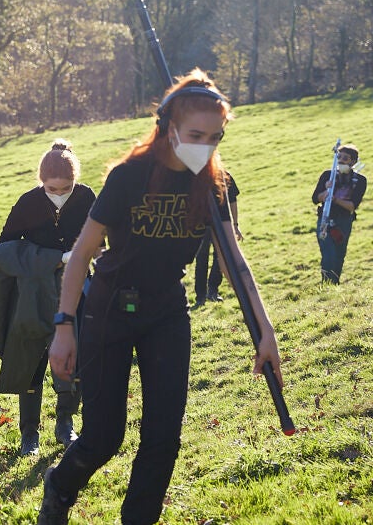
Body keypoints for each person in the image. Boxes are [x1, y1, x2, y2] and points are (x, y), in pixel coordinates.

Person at [38, 70, 284, 525]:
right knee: (103, 438)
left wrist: (264, 333)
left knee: (163, 439)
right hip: (109, 308)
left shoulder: (214, 185)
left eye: (215, 137)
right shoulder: (130, 177)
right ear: (169, 127)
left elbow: (235, 261)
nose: (204, 146)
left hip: (167, 312)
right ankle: (60, 485)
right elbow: (80, 256)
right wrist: (64, 326)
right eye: (195, 135)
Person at [0, 140, 96, 453]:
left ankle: (66, 423)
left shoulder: (87, 196)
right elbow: (4, 250)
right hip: (34, 294)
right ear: (41, 181)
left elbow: (104, 234)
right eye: (52, 187)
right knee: (32, 358)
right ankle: (29, 433)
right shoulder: (28, 203)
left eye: (66, 187)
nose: (59, 193)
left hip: (76, 288)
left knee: (72, 357)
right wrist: (53, 258)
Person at [312, 144, 366, 284]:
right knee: (328, 253)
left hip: (343, 222)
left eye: (345, 158)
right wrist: (326, 190)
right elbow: (315, 198)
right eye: (339, 157)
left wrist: (335, 199)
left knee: (339, 254)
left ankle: (334, 284)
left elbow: (352, 206)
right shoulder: (327, 175)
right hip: (325, 219)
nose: (341, 160)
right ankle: (327, 283)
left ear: (353, 162)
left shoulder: (360, 180)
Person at [193, 171, 242, 307]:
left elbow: (233, 200)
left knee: (220, 258)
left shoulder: (225, 176)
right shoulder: (197, 177)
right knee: (202, 258)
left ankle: (213, 291)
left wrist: (235, 225)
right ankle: (200, 296)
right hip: (201, 225)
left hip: (221, 224)